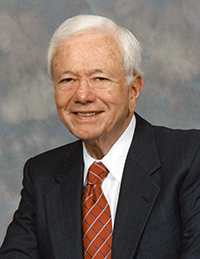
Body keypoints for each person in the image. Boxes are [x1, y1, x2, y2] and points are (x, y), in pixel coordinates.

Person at [0, 14, 200, 259]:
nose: (82, 95)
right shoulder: (41, 175)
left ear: (133, 90)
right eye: (68, 79)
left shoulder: (189, 158)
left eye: (100, 78)